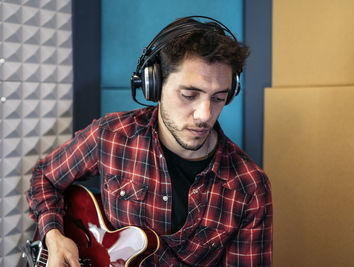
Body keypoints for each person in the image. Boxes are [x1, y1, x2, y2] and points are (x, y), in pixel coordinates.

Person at [26, 16, 272, 266]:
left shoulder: (249, 187)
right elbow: (44, 178)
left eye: (218, 98)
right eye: (189, 95)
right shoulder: (112, 135)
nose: (205, 115)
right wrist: (54, 236)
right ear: (153, 86)